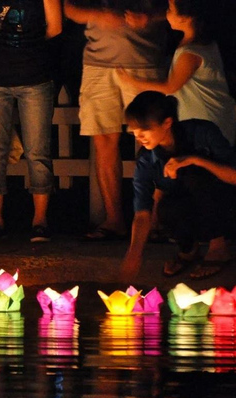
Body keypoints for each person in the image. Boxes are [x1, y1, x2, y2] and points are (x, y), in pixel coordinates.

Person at [64, 0, 167, 241]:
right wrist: (96, 14)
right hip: (97, 64)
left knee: (152, 143)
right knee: (104, 140)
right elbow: (68, 7)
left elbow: (180, 8)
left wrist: (149, 18)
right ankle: (114, 220)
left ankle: (154, 221)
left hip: (144, 60)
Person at [119, 91, 236, 282]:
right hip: (193, 214)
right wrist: (134, 254)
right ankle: (188, 250)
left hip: (226, 208)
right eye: (134, 130)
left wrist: (196, 160)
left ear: (167, 122)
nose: (138, 136)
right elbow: (142, 212)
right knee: (166, 207)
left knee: (193, 175)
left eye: (144, 129)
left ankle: (218, 248)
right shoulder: (147, 159)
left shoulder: (202, 132)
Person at [0, 0, 62, 243]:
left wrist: (28, 49)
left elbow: (55, 27)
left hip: (34, 77)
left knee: (38, 151)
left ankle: (40, 221)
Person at [117, 0, 236, 145]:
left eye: (170, 9)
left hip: (207, 118)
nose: (166, 13)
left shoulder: (190, 53)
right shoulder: (202, 43)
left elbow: (170, 87)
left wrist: (134, 82)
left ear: (185, 17)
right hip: (210, 116)